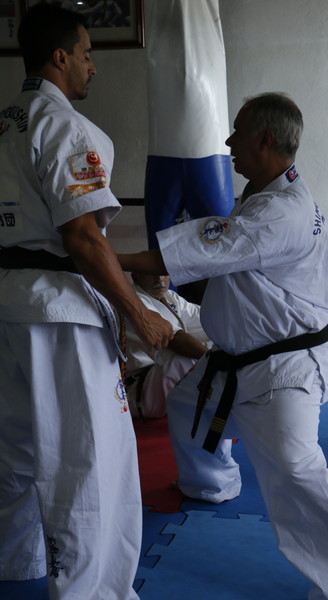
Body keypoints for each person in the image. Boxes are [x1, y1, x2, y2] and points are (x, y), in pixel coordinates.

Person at [121, 93, 328, 599]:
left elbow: (198, 250)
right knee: (186, 405)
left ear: (266, 139)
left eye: (238, 133)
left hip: (283, 367)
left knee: (297, 471)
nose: (229, 142)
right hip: (239, 359)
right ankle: (213, 484)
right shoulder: (267, 192)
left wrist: (104, 256)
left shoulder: (279, 210)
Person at [0, 4, 173, 600]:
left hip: (8, 304)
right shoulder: (62, 126)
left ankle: (16, 563)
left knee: (15, 447)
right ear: (60, 57)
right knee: (86, 459)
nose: (92, 66)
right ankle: (89, 592)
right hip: (57, 315)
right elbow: (82, 236)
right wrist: (137, 312)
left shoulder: (6, 121)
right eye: (86, 53)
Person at [124, 272, 211, 419]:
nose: (160, 279)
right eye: (151, 273)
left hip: (162, 382)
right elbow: (175, 340)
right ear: (135, 276)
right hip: (140, 391)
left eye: (163, 273)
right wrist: (213, 359)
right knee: (186, 356)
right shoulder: (134, 301)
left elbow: (207, 321)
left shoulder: (170, 297)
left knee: (219, 342)